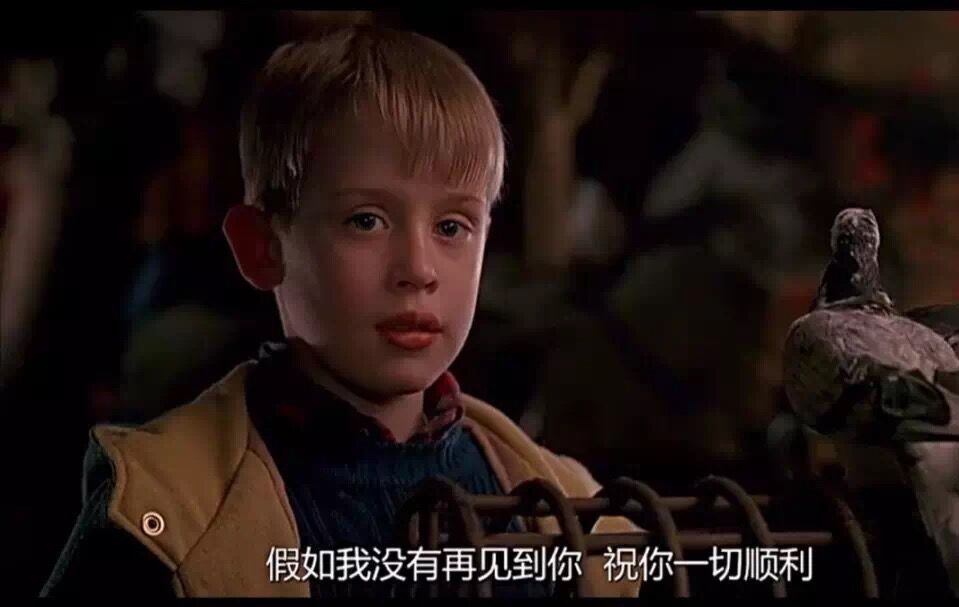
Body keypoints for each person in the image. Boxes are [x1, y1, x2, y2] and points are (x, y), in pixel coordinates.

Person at [41, 25, 641, 598]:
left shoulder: (565, 503)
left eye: (452, 226)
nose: (419, 269)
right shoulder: (166, 509)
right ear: (262, 248)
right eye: (366, 221)